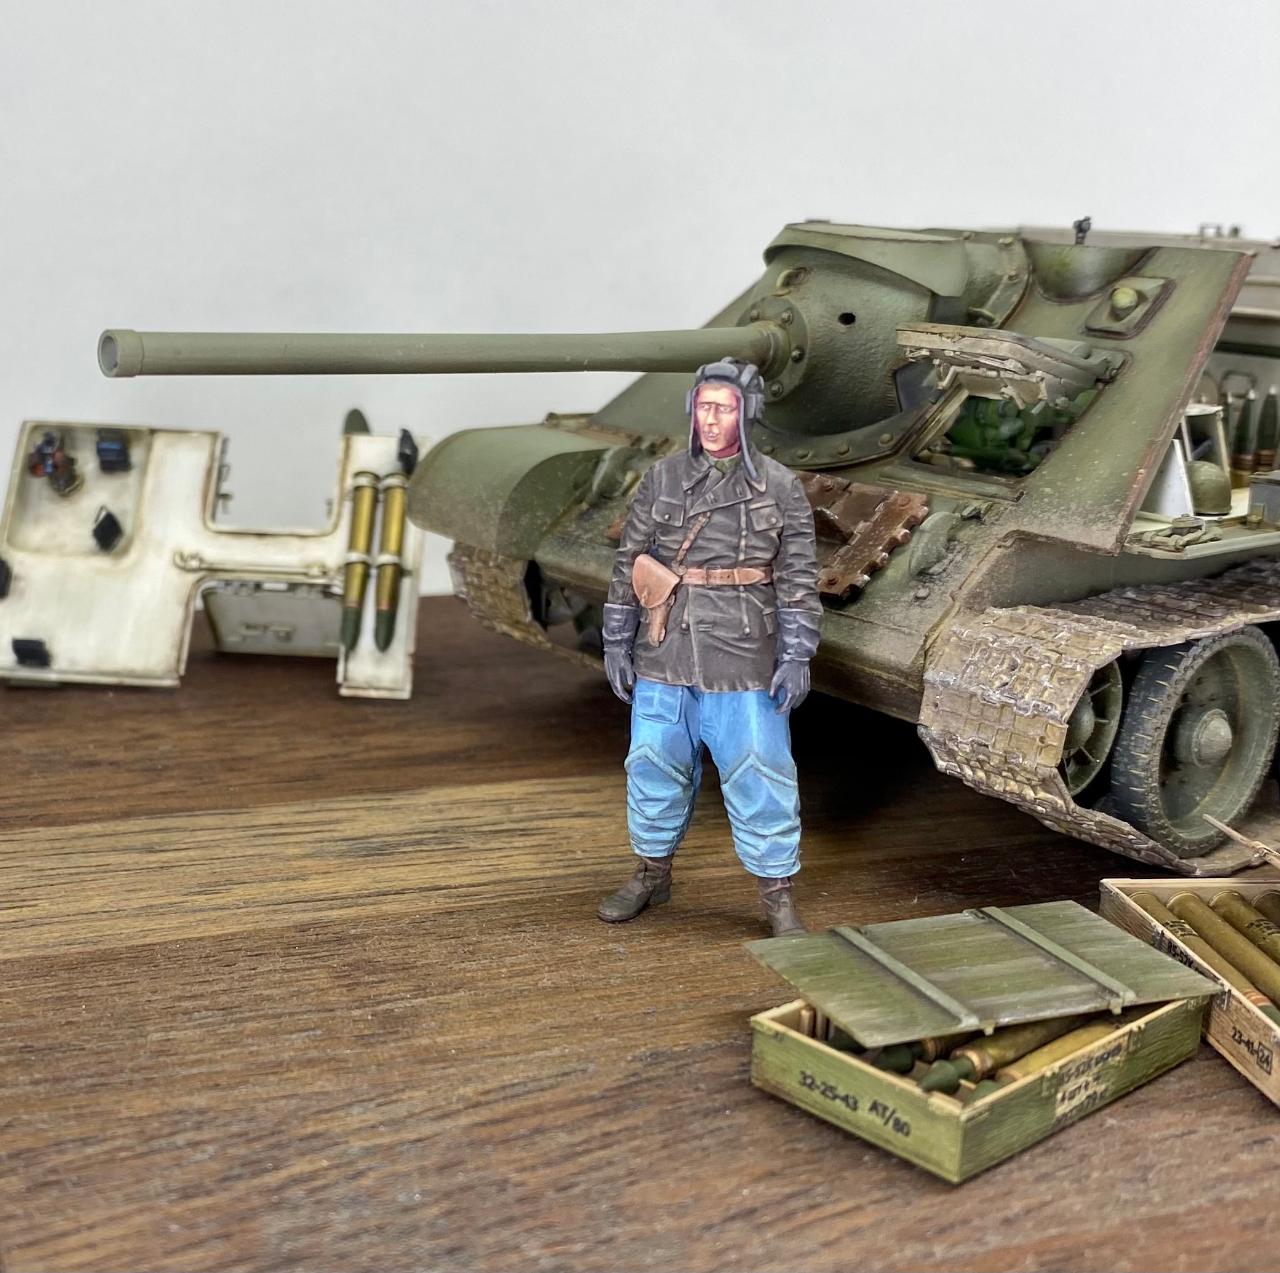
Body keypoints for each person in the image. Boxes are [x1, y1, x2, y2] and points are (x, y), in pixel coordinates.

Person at [598, 358, 821, 936]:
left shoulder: (779, 486)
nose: (711, 419)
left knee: (759, 769)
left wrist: (797, 654)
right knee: (653, 761)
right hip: (664, 645)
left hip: (743, 651)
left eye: (723, 408)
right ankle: (651, 872)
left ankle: (776, 892)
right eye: (703, 407)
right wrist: (616, 641)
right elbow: (629, 563)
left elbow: (798, 579)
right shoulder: (663, 478)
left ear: (748, 412)